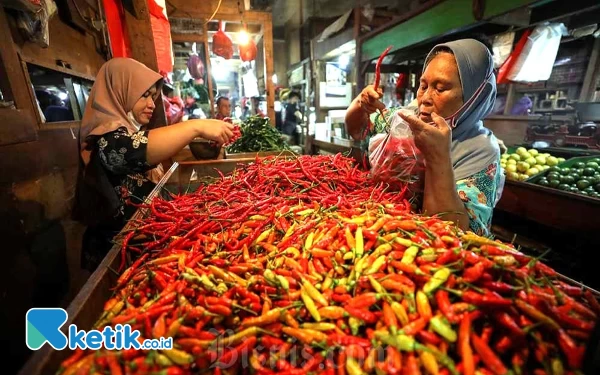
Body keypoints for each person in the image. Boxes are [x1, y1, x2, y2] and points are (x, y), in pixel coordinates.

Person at [73, 58, 234, 272]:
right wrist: (196, 127)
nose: (152, 104)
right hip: (117, 257)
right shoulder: (105, 140)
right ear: (121, 90)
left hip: (146, 245)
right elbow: (134, 151)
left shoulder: (129, 131)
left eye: (153, 96)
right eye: (144, 95)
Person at [345, 39, 503, 235]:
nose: (425, 99)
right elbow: (357, 130)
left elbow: (455, 235)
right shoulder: (407, 121)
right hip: (379, 232)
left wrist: (437, 157)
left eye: (440, 88)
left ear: (475, 96)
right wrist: (362, 103)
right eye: (423, 86)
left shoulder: (480, 151)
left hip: (423, 255)